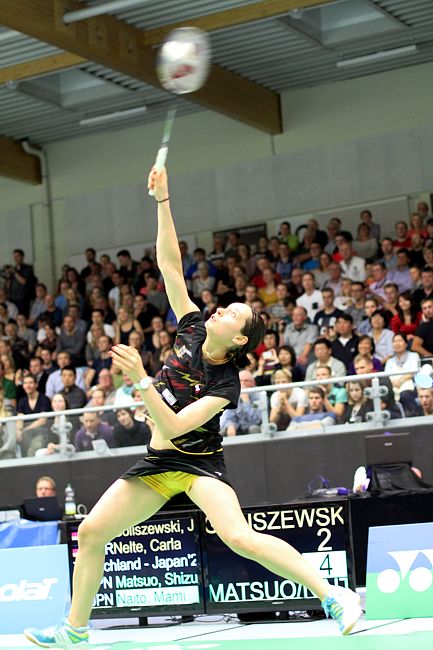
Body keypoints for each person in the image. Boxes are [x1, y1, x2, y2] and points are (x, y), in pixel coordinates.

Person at [25, 166, 361, 646]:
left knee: (238, 536)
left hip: (199, 464)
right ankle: (75, 629)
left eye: (232, 314)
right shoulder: (193, 327)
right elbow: (170, 265)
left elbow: (179, 426)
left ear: (240, 338)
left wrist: (142, 381)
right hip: (158, 463)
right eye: (223, 306)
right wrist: (163, 201)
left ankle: (334, 596)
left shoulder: (226, 382)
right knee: (94, 530)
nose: (220, 309)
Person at [219, 370, 264, 436]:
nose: (242, 383)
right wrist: (230, 425)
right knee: (222, 432)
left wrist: (246, 402)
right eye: (240, 381)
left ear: (253, 383)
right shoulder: (232, 395)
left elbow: (256, 420)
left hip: (254, 427)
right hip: (239, 427)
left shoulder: (259, 395)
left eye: (246, 381)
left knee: (253, 428)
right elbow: (229, 416)